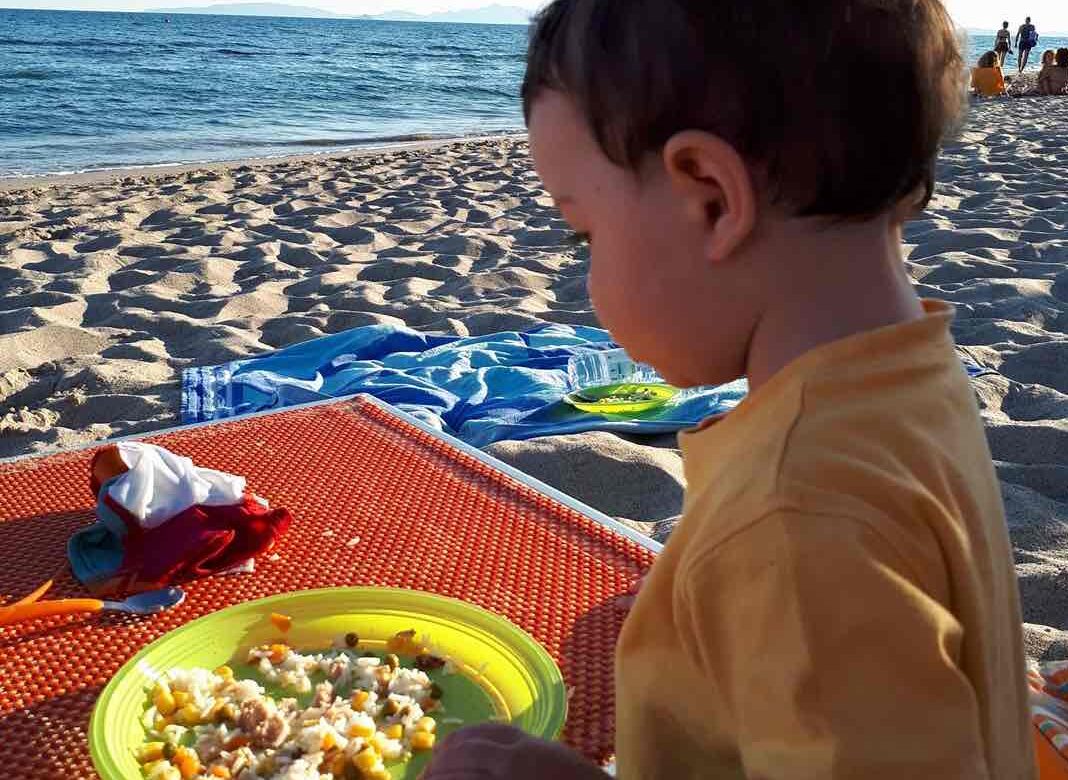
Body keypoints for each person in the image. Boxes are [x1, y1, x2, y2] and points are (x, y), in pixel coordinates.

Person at [423, 0, 1035, 778]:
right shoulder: (911, 374)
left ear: (710, 197)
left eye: (585, 235)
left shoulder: (800, 516)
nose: (586, 273)